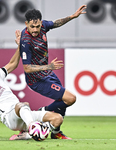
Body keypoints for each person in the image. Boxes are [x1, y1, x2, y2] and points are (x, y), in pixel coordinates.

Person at [19, 5, 87, 139]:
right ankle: (41, 113)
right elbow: (26, 68)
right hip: (36, 80)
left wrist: (72, 17)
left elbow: (56, 23)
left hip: (47, 74)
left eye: (37, 26)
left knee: (62, 100)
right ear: (26, 24)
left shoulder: (43, 26)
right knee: (70, 98)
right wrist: (48, 67)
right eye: (32, 27)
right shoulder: (26, 41)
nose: (35, 30)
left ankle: (56, 132)